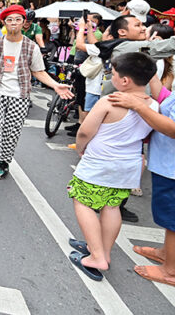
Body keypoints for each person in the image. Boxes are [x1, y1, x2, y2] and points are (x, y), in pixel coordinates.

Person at [0, 5, 73, 184]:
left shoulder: (31, 47)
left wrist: (56, 85)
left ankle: (4, 162)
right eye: (9, 20)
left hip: (20, 95)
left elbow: (38, 71)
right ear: (4, 22)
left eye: (17, 20)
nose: (13, 23)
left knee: (11, 132)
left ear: (23, 22)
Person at [67, 52, 158, 281]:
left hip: (100, 163)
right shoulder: (154, 105)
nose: (111, 77)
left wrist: (80, 146)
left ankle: (96, 255)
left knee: (83, 202)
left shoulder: (110, 100)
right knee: (112, 206)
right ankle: (102, 251)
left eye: (113, 74)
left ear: (124, 80)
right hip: (128, 166)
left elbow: (86, 130)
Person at [107, 69, 175, 287]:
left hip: (172, 168)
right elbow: (165, 99)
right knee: (168, 217)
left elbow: (173, 129)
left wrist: (137, 105)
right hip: (166, 164)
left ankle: (170, 271)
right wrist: (150, 72)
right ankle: (167, 253)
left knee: (172, 219)